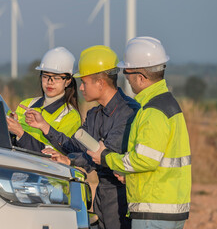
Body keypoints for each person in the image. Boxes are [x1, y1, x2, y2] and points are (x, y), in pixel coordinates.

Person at [21, 45, 139, 229]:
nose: (81, 88)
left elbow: (102, 154)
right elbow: (76, 147)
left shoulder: (128, 113)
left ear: (100, 83)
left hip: (124, 196)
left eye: (84, 82)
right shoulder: (95, 115)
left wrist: (69, 161)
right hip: (103, 194)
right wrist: (44, 126)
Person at [87, 37, 192, 229]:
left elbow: (144, 160)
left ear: (141, 77)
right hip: (170, 208)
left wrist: (106, 158)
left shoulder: (152, 111)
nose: (126, 80)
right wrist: (130, 177)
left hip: (153, 211)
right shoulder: (169, 104)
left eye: (127, 74)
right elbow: (158, 161)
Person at [6, 47, 81, 152]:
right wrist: (11, 128)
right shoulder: (26, 104)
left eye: (56, 78)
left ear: (68, 81)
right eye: (46, 76)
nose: (50, 82)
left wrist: (20, 133)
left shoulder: (71, 116)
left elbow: (54, 154)